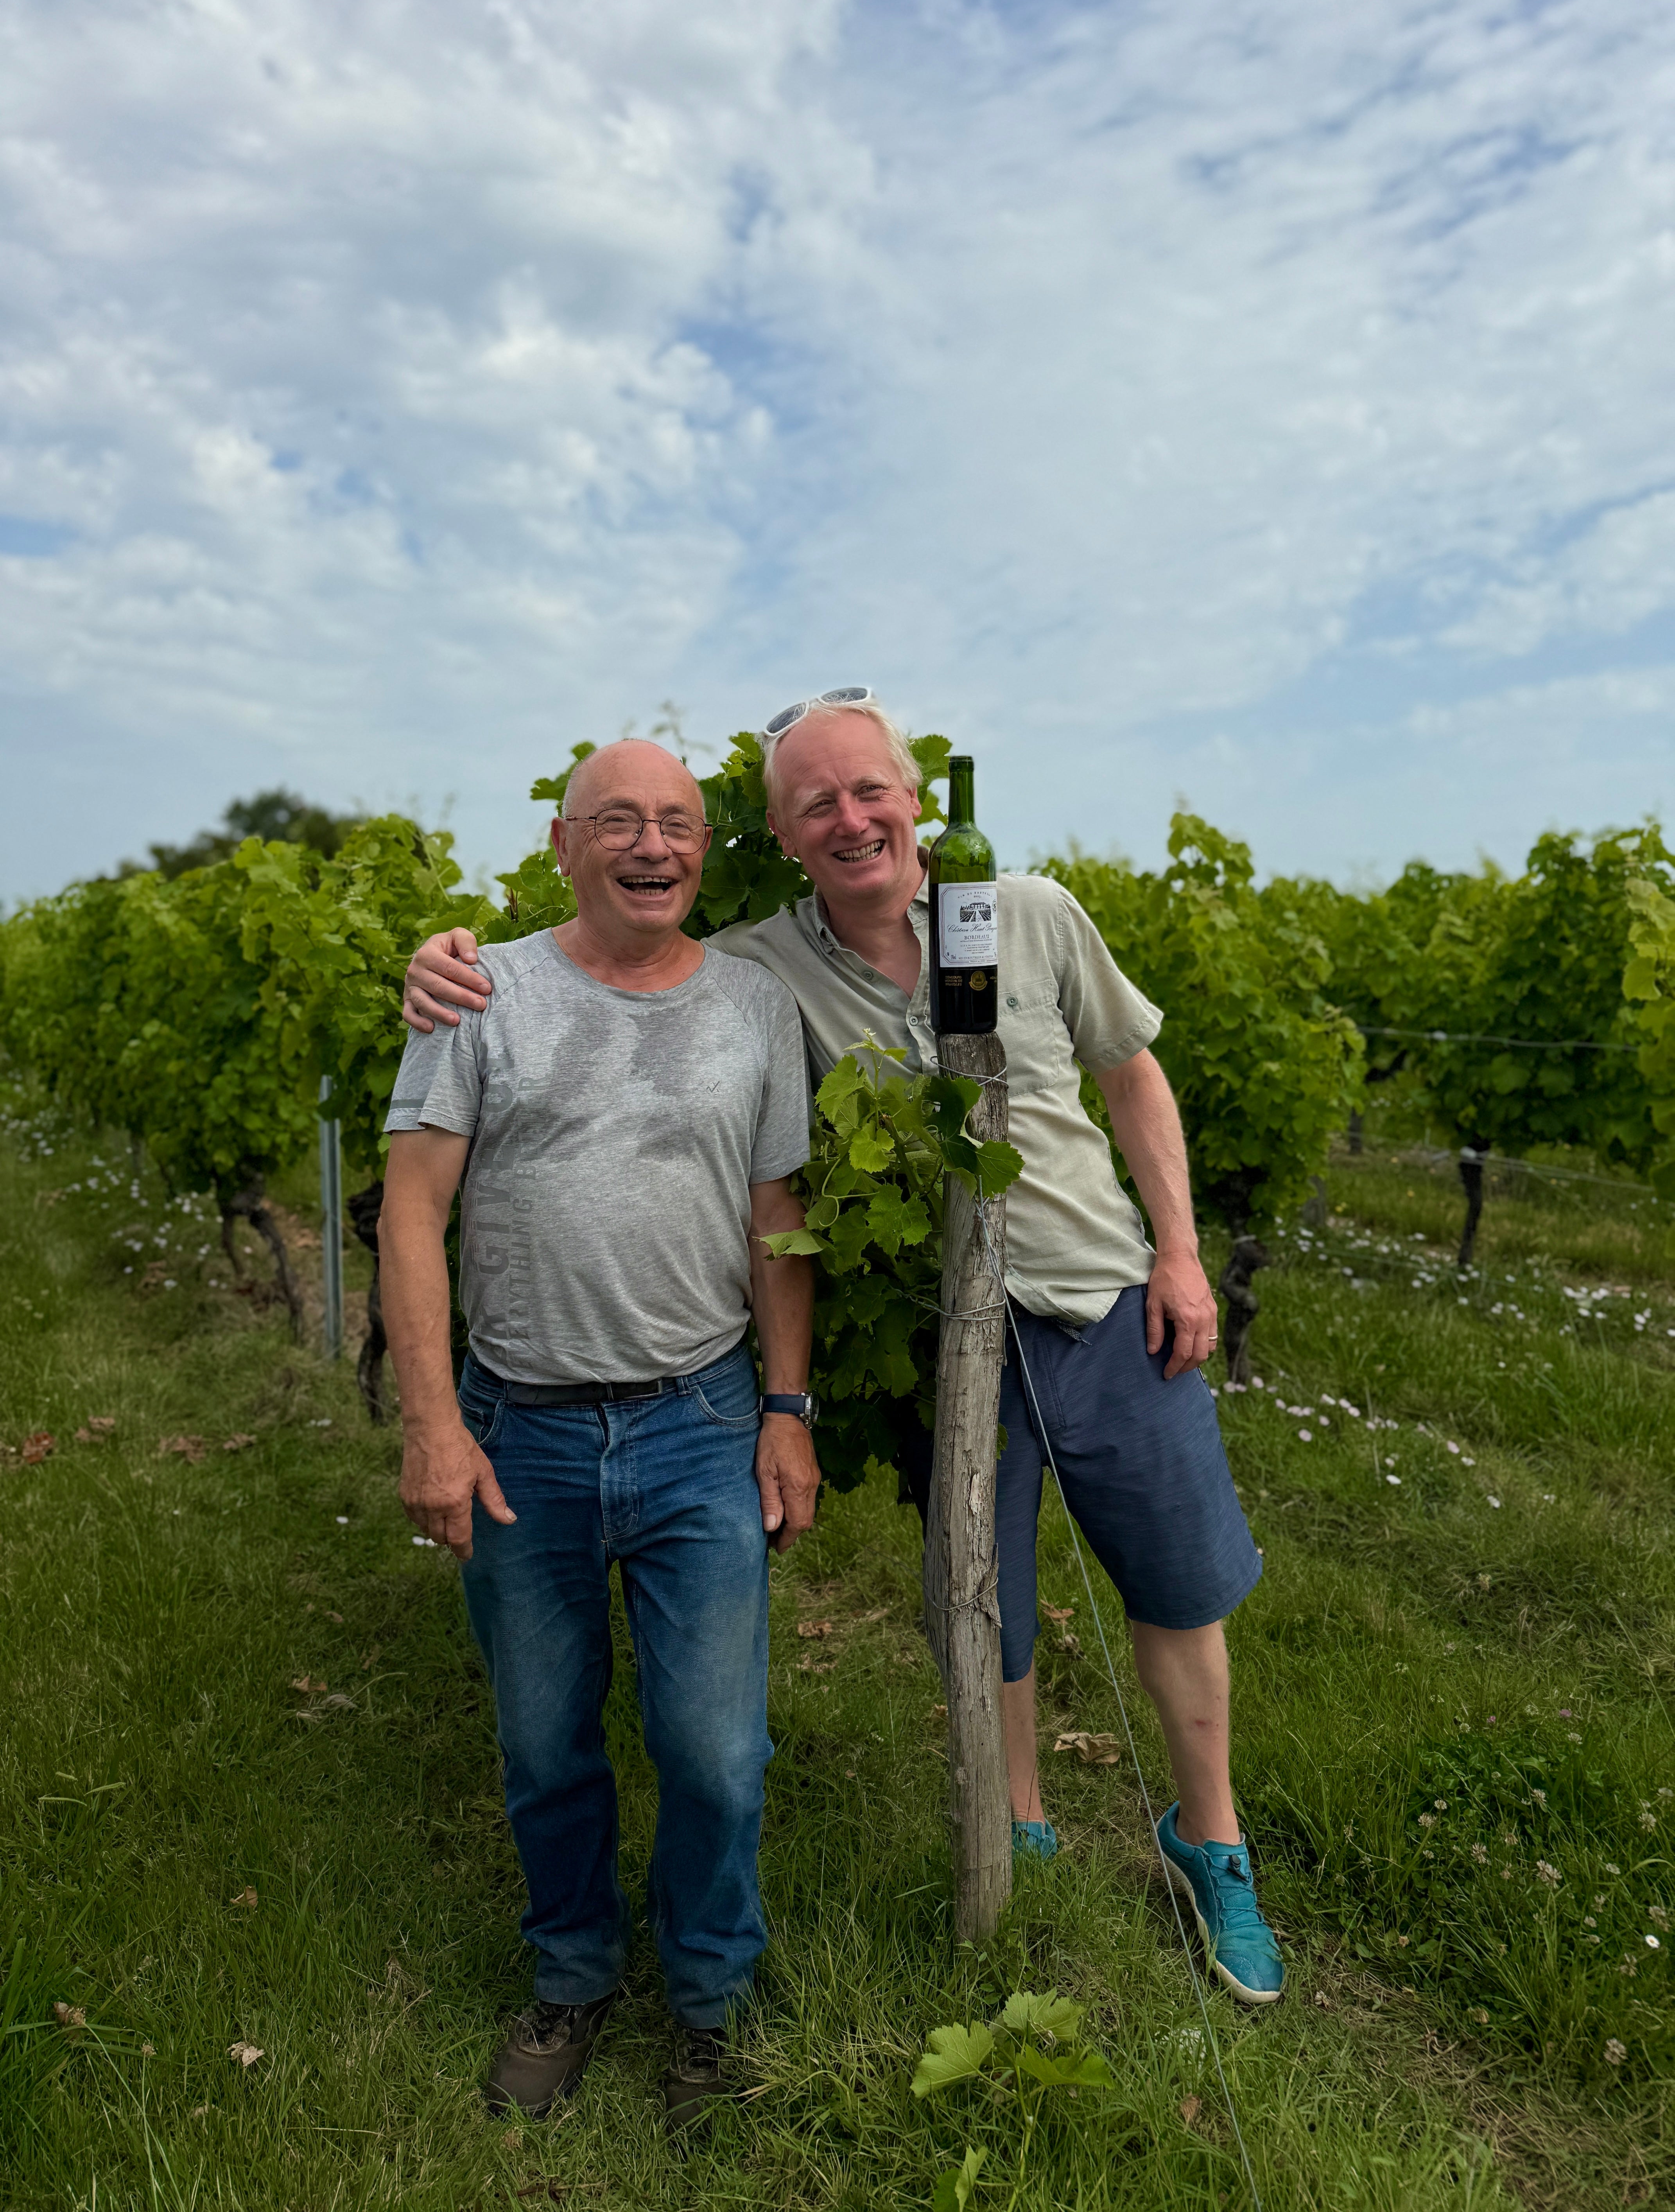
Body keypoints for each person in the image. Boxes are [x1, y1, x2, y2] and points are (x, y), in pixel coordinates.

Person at [402, 697, 1284, 2006]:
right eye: (814, 803)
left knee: (1175, 1586)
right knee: (987, 1602)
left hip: (1100, 1302)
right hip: (943, 1342)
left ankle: (1211, 1845)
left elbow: (1129, 1072)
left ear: (915, 796)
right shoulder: (760, 970)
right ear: (778, 832)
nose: (849, 818)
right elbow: (607, 986)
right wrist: (440, 958)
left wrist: (1179, 1251)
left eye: (868, 790)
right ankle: (1016, 1828)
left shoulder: (1027, 909)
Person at [380, 738, 821, 2127]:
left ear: (704, 848)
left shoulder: (753, 1006)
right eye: (616, 821)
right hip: (525, 1434)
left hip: (699, 1423)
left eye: (677, 822)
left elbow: (777, 1226)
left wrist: (788, 1411)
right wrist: (435, 1427)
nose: (651, 843)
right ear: (564, 845)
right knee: (545, 1743)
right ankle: (571, 1973)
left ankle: (707, 1999)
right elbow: (407, 1211)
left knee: (713, 1751)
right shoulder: (482, 988)